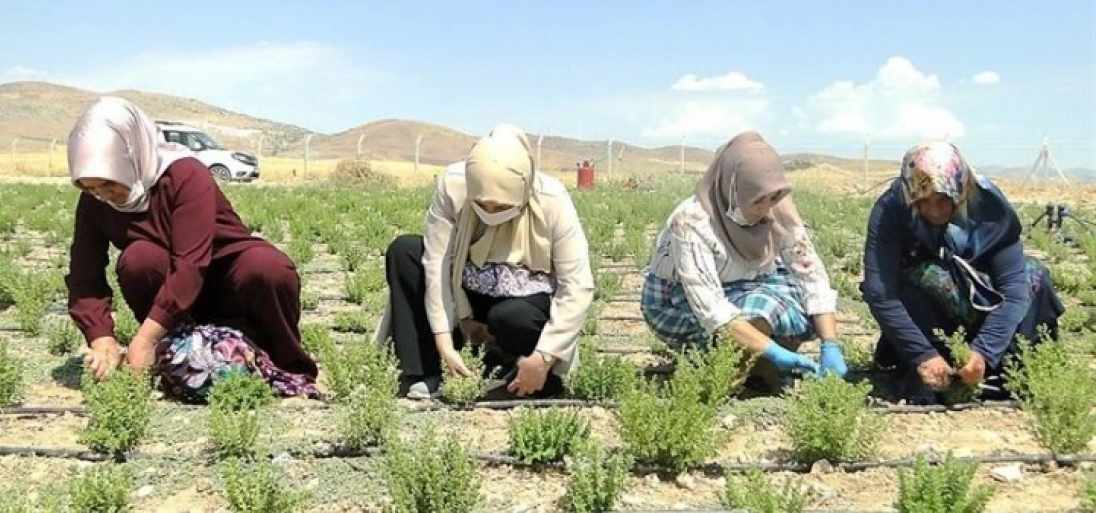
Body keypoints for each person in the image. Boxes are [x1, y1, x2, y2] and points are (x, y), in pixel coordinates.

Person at [64, 96, 319, 402]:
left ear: (132, 158)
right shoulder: (95, 201)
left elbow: (190, 265)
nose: (103, 196)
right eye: (90, 188)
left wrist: (143, 339)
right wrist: (101, 338)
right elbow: (84, 275)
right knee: (139, 258)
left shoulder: (184, 175)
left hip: (228, 283)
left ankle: (281, 362)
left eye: (108, 185)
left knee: (268, 267)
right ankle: (176, 354)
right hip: (172, 303)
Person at [375, 124, 595, 400]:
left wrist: (544, 357)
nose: (490, 214)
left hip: (521, 301)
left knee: (512, 319)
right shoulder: (455, 185)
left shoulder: (552, 199)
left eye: (502, 207)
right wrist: (443, 343)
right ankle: (426, 370)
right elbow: (437, 264)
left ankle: (531, 373)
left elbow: (577, 285)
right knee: (405, 250)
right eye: (481, 204)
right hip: (465, 292)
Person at [641, 131, 849, 388]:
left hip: (753, 283)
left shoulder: (778, 208)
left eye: (772, 198)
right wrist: (775, 352)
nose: (765, 209)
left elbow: (811, 276)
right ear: (732, 190)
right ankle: (741, 363)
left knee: (800, 307)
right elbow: (711, 309)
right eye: (756, 201)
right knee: (756, 316)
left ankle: (751, 357)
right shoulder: (691, 222)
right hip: (680, 298)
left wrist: (830, 344)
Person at [861, 141, 1065, 403]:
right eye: (923, 202)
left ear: (960, 190)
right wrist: (922, 354)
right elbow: (881, 293)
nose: (934, 210)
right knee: (915, 277)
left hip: (984, 305)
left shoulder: (990, 207)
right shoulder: (892, 209)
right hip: (929, 315)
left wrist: (984, 351)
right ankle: (929, 369)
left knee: (1034, 274)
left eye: (943, 199)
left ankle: (1007, 370)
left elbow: (1013, 291)